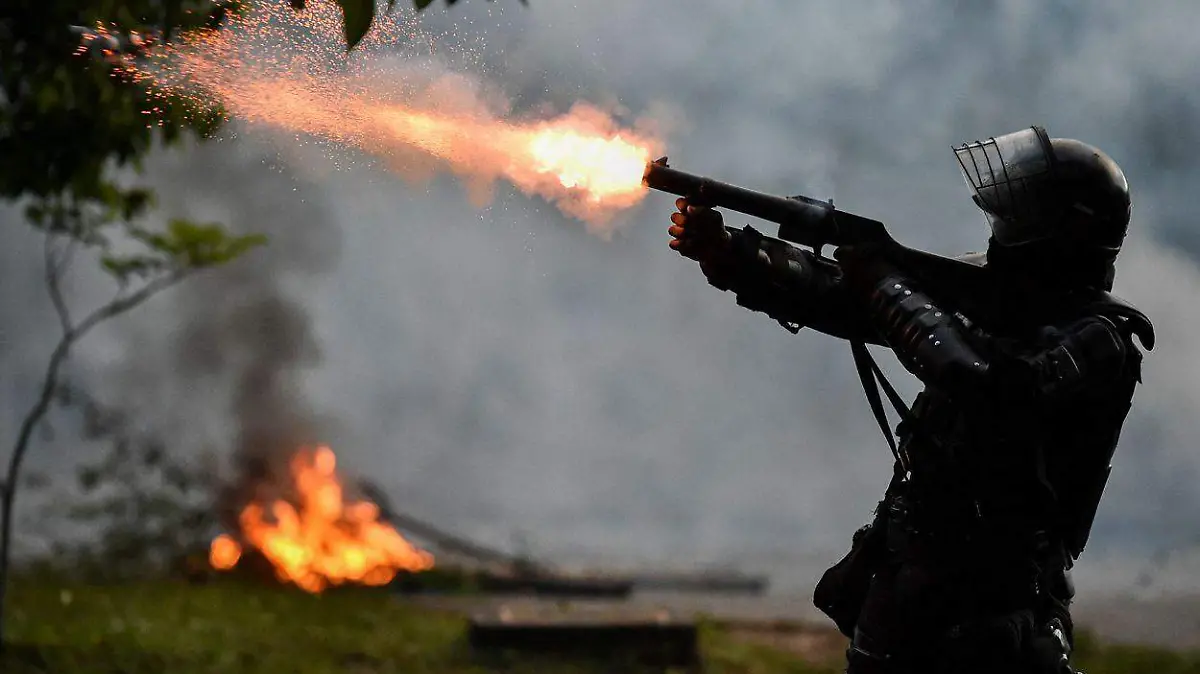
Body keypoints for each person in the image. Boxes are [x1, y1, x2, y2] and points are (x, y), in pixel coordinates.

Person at [666, 126, 1154, 673]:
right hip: (908, 596)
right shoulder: (989, 294)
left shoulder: (1102, 339)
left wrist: (884, 281)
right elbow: (839, 293)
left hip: (994, 613)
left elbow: (988, 383)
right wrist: (731, 253)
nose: (1001, 227)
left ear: (1059, 230)